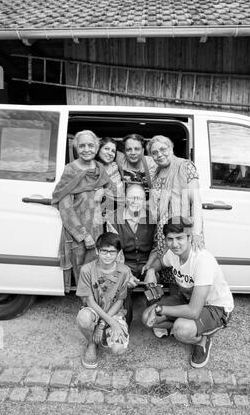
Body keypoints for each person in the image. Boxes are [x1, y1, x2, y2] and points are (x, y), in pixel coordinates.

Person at [142, 217, 234, 368]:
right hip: (187, 299)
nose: (175, 244)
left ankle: (203, 339)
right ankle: (193, 328)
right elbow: (161, 261)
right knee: (147, 318)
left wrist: (161, 310)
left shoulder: (201, 260)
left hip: (215, 307)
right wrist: (151, 270)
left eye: (180, 238)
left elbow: (193, 311)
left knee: (181, 329)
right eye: (170, 239)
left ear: (190, 237)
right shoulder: (173, 253)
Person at [51, 130, 113, 291]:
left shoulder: (99, 168)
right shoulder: (70, 170)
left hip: (98, 228)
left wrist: (103, 192)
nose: (87, 149)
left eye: (91, 145)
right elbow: (65, 208)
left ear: (97, 147)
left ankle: (97, 302)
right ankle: (87, 306)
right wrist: (84, 235)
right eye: (82, 146)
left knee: (97, 267)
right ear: (76, 148)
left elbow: (111, 190)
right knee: (82, 270)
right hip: (78, 233)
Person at [146, 135, 204, 283]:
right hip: (164, 234)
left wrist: (196, 233)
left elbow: (196, 201)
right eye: (154, 152)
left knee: (187, 274)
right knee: (170, 275)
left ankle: (193, 304)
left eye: (163, 149)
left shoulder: (185, 166)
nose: (159, 154)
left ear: (171, 148)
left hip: (182, 232)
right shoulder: (157, 173)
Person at [76, 232, 131, 369]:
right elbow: (90, 302)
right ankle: (92, 343)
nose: (108, 255)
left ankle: (103, 335)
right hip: (94, 310)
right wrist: (109, 322)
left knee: (118, 349)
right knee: (84, 318)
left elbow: (120, 301)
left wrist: (103, 324)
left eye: (112, 252)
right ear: (97, 251)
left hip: (114, 312)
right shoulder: (87, 270)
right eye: (104, 251)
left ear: (118, 253)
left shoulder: (124, 271)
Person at [107, 183, 157, 324]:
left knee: (153, 285)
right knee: (123, 284)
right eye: (132, 198)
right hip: (124, 262)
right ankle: (124, 321)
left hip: (147, 261)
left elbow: (156, 246)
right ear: (125, 199)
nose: (136, 202)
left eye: (139, 198)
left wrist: (150, 267)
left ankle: (154, 319)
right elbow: (113, 249)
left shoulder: (151, 217)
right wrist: (124, 270)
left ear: (144, 200)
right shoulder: (113, 217)